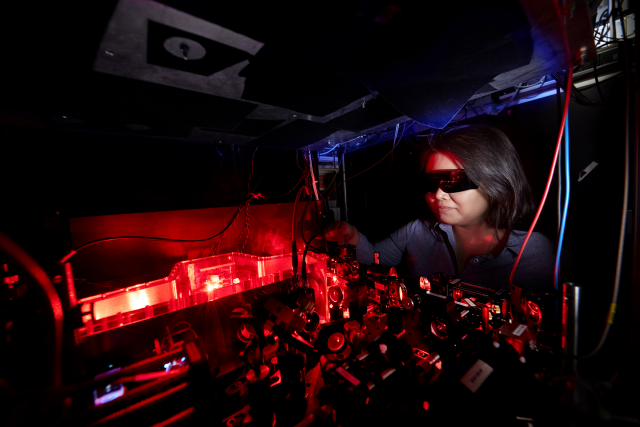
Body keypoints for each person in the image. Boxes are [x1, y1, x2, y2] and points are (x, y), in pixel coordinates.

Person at [325, 124, 557, 291]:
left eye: (454, 181)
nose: (438, 195)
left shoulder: (535, 252)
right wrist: (353, 237)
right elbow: (375, 259)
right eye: (431, 183)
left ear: (495, 182)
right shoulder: (416, 231)